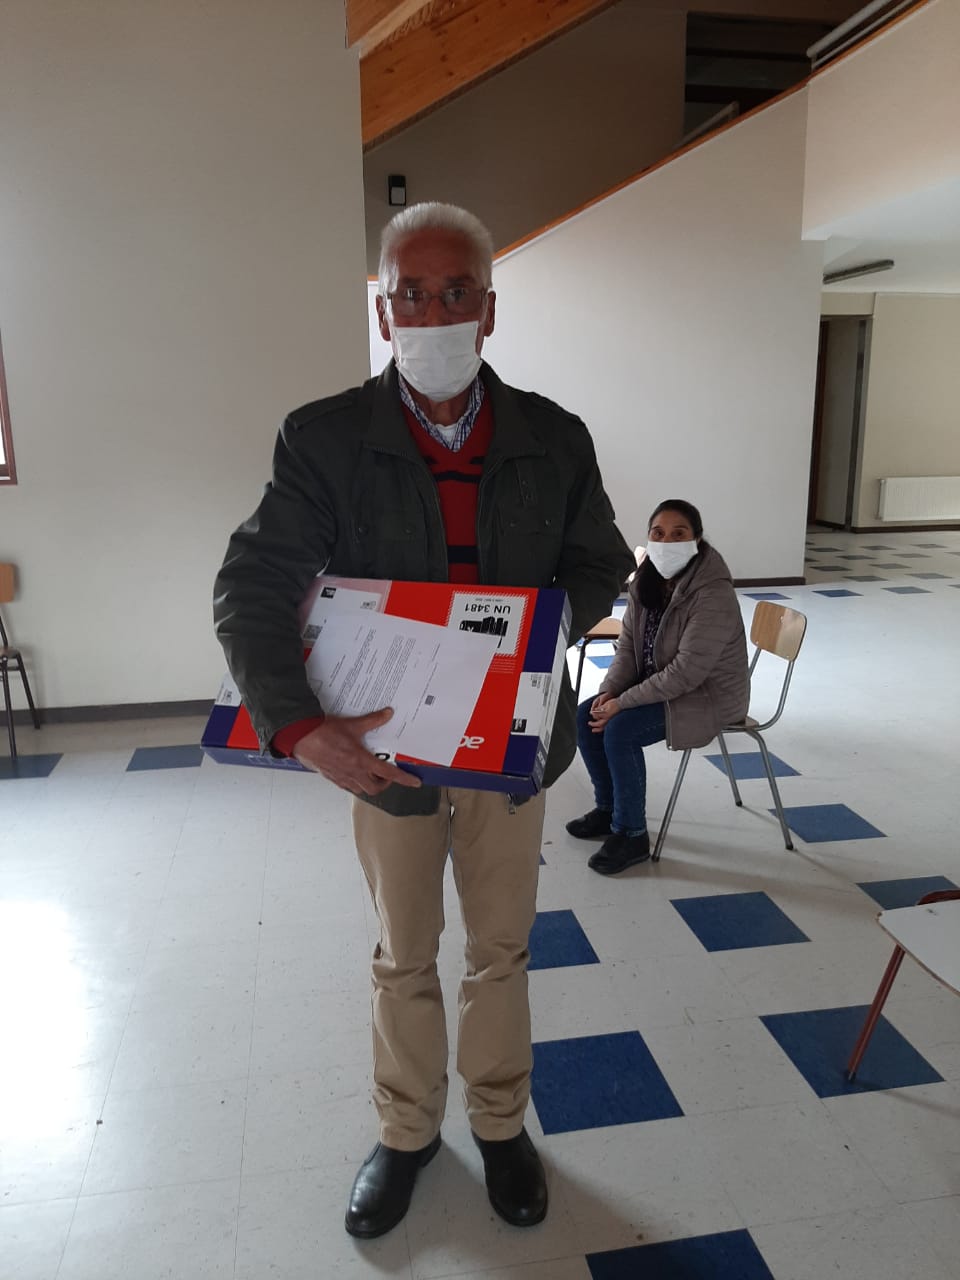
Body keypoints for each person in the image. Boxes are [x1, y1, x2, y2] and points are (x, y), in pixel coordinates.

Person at [213, 202, 634, 1238]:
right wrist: (298, 725)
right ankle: (406, 1133)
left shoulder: (553, 435)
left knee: (501, 946)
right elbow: (253, 582)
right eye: (413, 294)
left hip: (510, 747)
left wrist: (528, 638)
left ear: (488, 309)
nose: (434, 313)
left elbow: (600, 561)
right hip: (386, 750)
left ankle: (500, 1124)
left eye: (456, 294)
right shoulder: (325, 438)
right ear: (384, 310)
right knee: (404, 952)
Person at [566, 499, 749, 875]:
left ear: (697, 539)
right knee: (587, 715)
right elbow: (628, 648)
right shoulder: (646, 580)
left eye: (679, 534)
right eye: (658, 534)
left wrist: (623, 703)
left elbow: (686, 674)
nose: (667, 542)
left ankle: (632, 834)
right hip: (662, 683)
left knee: (621, 729)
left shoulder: (713, 592)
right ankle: (608, 810)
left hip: (708, 696)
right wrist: (610, 691)